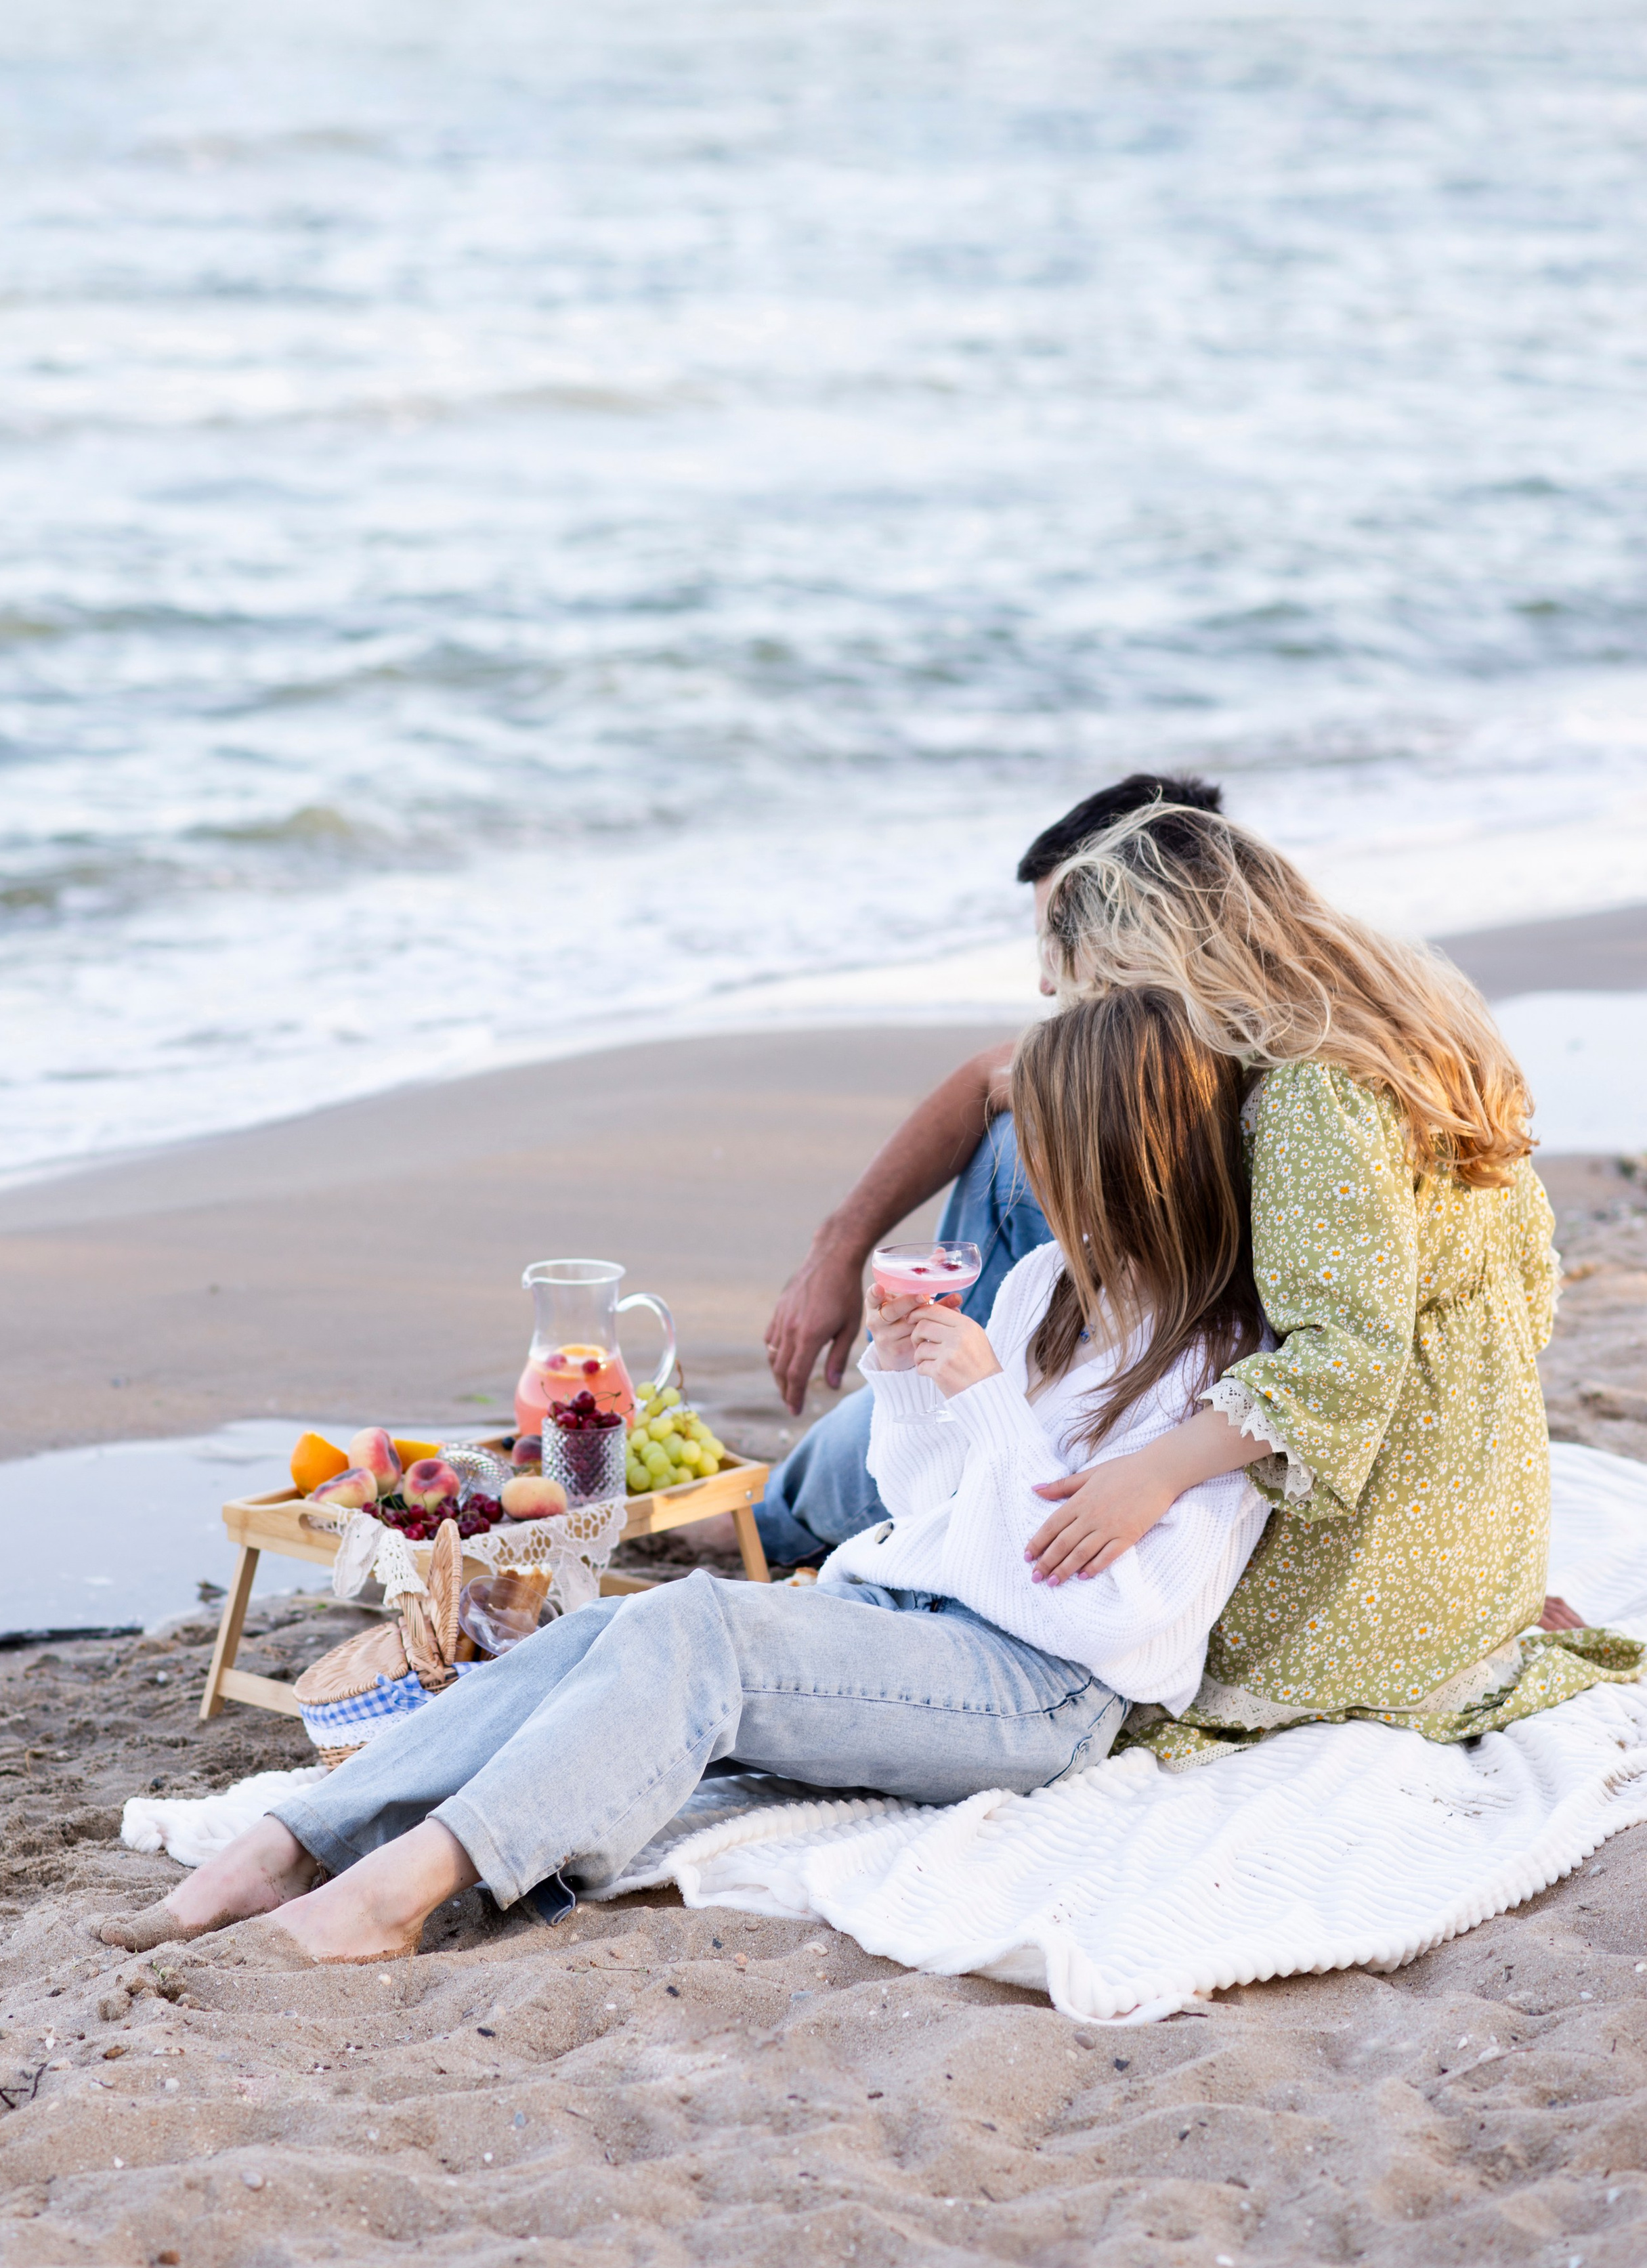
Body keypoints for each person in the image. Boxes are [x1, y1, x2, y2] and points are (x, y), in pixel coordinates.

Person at [102, 987, 1272, 1965]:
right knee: (618, 1633)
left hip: (1043, 1689)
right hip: (916, 1615)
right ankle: (288, 1845)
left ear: (1126, 1162)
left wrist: (987, 1405)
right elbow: (928, 1503)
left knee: (702, 1636)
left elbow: (1114, 1617)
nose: (1029, 1182)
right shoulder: (1044, 1295)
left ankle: (391, 1898)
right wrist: (908, 1372)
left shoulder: (1218, 1366)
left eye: (1049, 1157)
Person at [1017, 798, 1640, 1765]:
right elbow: (1530, 1284)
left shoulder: (1313, 1089)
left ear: (1162, 967)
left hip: (1388, 1557)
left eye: (1101, 998)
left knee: (1132, 1637)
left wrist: (1156, 1472)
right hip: (1485, 1500)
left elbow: (1347, 1359)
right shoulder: (1416, 1026)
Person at [753, 770, 1225, 1570]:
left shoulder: (1237, 1067)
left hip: (1104, 1444)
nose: (1044, 982)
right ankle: (886, 1420)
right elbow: (988, 1074)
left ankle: (774, 1523)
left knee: (1023, 1146)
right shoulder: (1158, 1027)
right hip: (1048, 1372)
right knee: (1019, 1126)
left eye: (1054, 940)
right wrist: (837, 1246)